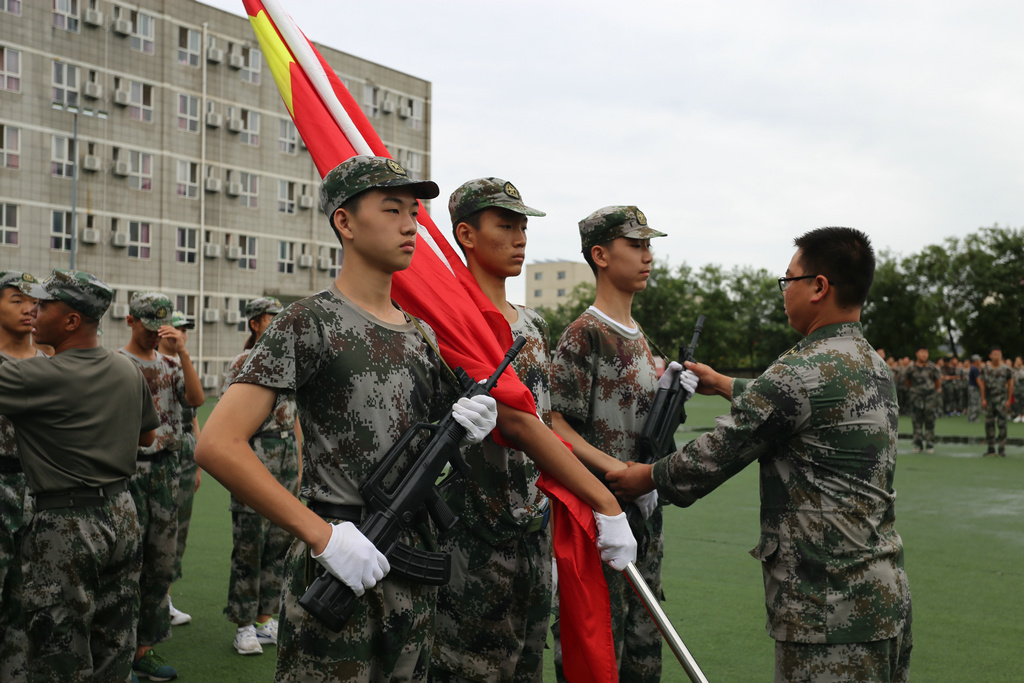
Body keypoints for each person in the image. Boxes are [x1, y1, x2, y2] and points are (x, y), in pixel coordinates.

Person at [195, 156, 500, 682]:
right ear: (345, 221)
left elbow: (426, 442)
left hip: (411, 560)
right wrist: (322, 536)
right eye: (392, 210)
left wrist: (469, 426)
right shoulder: (308, 321)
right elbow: (218, 444)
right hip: (338, 559)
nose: (411, 225)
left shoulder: (420, 334)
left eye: (415, 212)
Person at [608, 227, 912, 683]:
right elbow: (803, 407)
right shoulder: (869, 363)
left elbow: (714, 455)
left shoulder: (800, 371)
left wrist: (644, 477)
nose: (784, 290)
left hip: (827, 612)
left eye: (789, 279)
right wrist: (724, 384)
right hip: (883, 598)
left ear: (819, 287)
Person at [549, 205, 695, 683]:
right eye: (635, 245)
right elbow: (556, 426)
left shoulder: (639, 338)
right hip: (599, 519)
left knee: (642, 657)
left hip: (642, 519)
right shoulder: (584, 334)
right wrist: (617, 471)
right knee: (596, 653)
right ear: (601, 255)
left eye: (648, 245)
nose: (647, 255)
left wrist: (672, 398)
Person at [0, 269, 159, 681]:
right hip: (123, 513)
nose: (33, 312)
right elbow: (146, 436)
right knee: (114, 645)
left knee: (59, 654)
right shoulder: (126, 369)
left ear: (71, 321)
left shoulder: (36, 376)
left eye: (43, 305)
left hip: (67, 524)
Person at [429, 177, 555, 683]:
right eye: (505, 226)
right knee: (468, 670)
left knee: (528, 666)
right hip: (473, 534)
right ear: (466, 234)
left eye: (523, 227)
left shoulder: (534, 326)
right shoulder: (440, 326)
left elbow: (546, 424)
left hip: (534, 532)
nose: (520, 238)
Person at [120, 292, 205, 681]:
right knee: (126, 561)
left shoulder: (171, 365)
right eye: (149, 326)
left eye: (161, 327)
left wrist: (183, 353)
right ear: (130, 321)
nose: (156, 334)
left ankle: (144, 649)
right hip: (128, 470)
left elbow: (195, 399)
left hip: (167, 470)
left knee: (161, 563)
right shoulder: (118, 364)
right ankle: (119, 651)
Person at [220, 296, 302, 656]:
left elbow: (295, 418)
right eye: (272, 318)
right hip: (255, 453)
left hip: (286, 456)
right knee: (249, 544)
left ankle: (265, 619)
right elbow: (228, 421)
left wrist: (300, 463)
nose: (279, 324)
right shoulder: (243, 362)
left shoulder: (291, 362)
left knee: (279, 543)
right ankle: (243, 625)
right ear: (255, 323)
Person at [0, 271, 48, 681]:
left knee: (27, 596)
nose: (29, 308)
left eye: (34, 301)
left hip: (39, 491)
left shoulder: (52, 367)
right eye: (17, 300)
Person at [157, 311, 203, 628]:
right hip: (158, 449)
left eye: (185, 330)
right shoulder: (151, 364)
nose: (182, 334)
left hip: (184, 451)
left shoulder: (183, 365)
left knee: (178, 530)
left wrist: (197, 463)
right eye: (178, 329)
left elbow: (194, 414)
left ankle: (165, 599)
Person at [978, 346, 1014, 457]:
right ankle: (991, 448)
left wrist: (1009, 400)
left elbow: (1010, 384)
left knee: (1002, 424)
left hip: (1001, 399)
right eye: (995, 354)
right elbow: (983, 384)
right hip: (989, 400)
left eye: (999, 354)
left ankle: (1001, 448)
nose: (997, 356)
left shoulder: (1007, 369)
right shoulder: (985, 369)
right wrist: (983, 399)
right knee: (989, 424)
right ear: (990, 356)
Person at [904, 346, 941, 453]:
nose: (924, 355)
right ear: (917, 354)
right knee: (916, 420)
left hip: (930, 397)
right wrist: (914, 391)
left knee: (930, 420)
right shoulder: (910, 367)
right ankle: (918, 444)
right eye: (922, 352)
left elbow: (938, 381)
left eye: (926, 352)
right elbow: (907, 381)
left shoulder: (932, 367)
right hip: (916, 397)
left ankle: (930, 444)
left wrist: (934, 390)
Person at [967, 354, 983, 422]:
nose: (980, 361)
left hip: (971, 387)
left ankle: (970, 417)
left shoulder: (972, 368)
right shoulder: (975, 369)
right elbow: (978, 380)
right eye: (979, 360)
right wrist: (982, 388)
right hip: (974, 388)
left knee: (971, 403)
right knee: (975, 403)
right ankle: (973, 418)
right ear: (975, 361)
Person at [1011, 356, 1024, 423]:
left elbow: (1022, 376)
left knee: (1023, 402)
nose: (1017, 362)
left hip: (1023, 388)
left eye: (1018, 360)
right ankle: (1019, 415)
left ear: (1021, 361)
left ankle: (1023, 415)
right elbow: (1013, 378)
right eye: (1016, 360)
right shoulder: (1014, 369)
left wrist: (1018, 369)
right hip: (1016, 388)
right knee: (1017, 402)